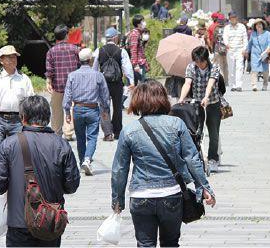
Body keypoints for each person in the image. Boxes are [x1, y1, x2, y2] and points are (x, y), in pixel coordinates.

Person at [112, 80, 215, 247]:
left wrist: (117, 201)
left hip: (141, 196)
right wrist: (203, 187)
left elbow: (119, 169)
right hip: (171, 194)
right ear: (163, 99)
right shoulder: (177, 124)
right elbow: (192, 158)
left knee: (145, 244)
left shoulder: (129, 131)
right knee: (170, 243)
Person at [0, 95, 80, 247]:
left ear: (23, 118)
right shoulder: (62, 145)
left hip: (19, 223)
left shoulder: (9, 145)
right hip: (50, 221)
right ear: (48, 117)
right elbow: (72, 185)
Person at [0, 45, 34, 165]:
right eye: (9, 57)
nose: (13, 59)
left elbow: (31, 100)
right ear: (1, 60)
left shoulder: (24, 79)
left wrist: (30, 119)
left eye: (14, 56)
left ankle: (14, 178)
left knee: (19, 151)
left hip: (18, 120)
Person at [63, 48, 110, 176]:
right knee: (92, 137)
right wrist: (105, 109)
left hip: (77, 109)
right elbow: (105, 95)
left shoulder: (72, 75)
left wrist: (67, 111)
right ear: (90, 60)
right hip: (92, 109)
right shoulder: (98, 75)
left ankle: (82, 162)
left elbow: (67, 95)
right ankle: (87, 159)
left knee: (80, 138)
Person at [179, 46, 223, 173]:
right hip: (197, 103)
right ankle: (198, 157)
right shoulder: (191, 67)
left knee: (213, 132)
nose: (198, 64)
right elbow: (187, 83)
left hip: (213, 102)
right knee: (196, 131)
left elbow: (211, 83)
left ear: (206, 59)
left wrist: (206, 97)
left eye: (201, 61)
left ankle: (213, 159)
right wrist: (182, 98)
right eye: (196, 61)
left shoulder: (214, 67)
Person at [93, 27, 135, 141]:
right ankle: (117, 132)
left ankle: (107, 133)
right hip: (117, 83)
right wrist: (131, 82)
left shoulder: (99, 51)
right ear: (115, 37)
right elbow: (127, 68)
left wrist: (95, 82)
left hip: (103, 83)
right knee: (117, 107)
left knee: (104, 107)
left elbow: (95, 68)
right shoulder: (121, 51)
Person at [45, 25, 80, 142]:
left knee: (56, 110)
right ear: (66, 35)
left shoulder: (51, 51)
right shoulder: (75, 49)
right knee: (71, 108)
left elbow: (50, 69)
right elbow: (80, 66)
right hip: (73, 86)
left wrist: (48, 81)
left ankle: (56, 132)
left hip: (57, 85)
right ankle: (69, 132)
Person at [245, 19, 270, 91]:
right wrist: (247, 51)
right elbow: (250, 44)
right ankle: (254, 85)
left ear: (263, 25)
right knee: (254, 69)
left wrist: (268, 49)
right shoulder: (253, 34)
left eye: (260, 24)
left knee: (265, 70)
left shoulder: (267, 33)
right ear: (255, 26)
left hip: (264, 54)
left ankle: (265, 84)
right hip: (255, 54)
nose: (259, 25)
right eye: (257, 24)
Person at [223, 11, 247, 92]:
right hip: (231, 50)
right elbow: (225, 37)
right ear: (229, 19)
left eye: (234, 17)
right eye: (231, 18)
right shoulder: (227, 28)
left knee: (239, 67)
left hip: (240, 49)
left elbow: (245, 38)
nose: (233, 19)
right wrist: (227, 44)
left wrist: (244, 48)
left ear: (237, 18)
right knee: (231, 68)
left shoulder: (242, 27)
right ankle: (233, 85)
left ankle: (239, 85)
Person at [128, 14, 150, 85]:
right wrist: (135, 64)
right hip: (138, 64)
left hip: (141, 62)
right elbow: (133, 50)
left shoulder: (139, 33)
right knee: (140, 85)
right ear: (138, 24)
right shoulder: (135, 34)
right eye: (142, 21)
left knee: (141, 85)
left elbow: (141, 50)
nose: (144, 23)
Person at [211, 15, 228, 86]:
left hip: (218, 49)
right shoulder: (227, 28)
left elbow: (214, 39)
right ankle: (226, 81)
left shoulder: (216, 29)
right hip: (227, 49)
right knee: (226, 66)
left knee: (220, 66)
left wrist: (212, 48)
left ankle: (222, 81)